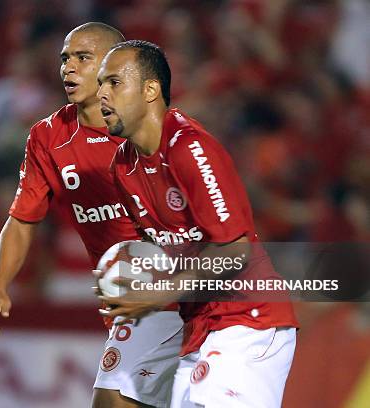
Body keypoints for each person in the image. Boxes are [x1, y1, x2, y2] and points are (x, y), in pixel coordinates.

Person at [0, 24, 183, 408]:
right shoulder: (49, 136)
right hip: (127, 305)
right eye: (64, 59)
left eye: (82, 58)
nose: (68, 68)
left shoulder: (155, 129)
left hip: (174, 296)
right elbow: (22, 219)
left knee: (111, 400)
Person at [96, 40, 299, 407]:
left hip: (248, 322)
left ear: (150, 90)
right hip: (200, 327)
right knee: (112, 395)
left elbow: (234, 250)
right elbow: (164, 254)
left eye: (113, 83)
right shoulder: (124, 167)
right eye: (100, 85)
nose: (102, 96)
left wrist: (158, 293)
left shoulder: (189, 148)